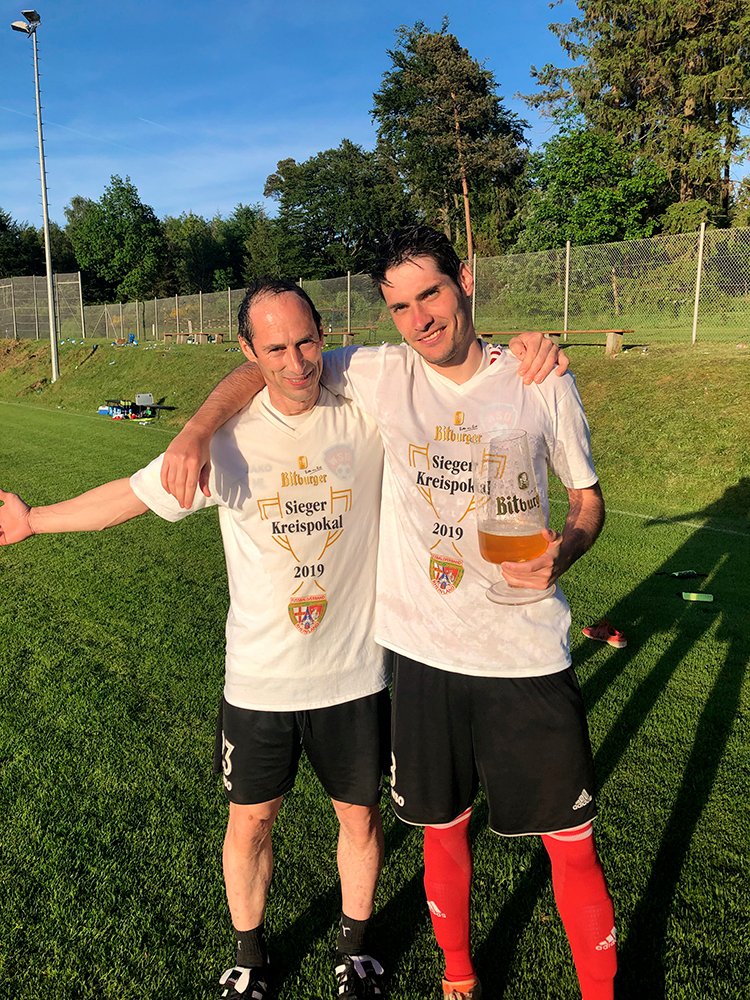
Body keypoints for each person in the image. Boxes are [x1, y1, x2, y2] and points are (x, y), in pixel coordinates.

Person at [160, 228, 616, 1000]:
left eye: (429, 294)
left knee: (571, 845)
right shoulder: (380, 370)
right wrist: (196, 429)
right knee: (442, 832)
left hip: (526, 651)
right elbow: (267, 364)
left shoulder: (536, 379)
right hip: (424, 658)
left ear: (464, 280)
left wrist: (563, 553)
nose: (419, 319)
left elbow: (587, 502)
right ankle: (458, 975)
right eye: (400, 306)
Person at [0, 280, 391, 1000]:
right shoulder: (228, 441)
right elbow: (128, 496)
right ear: (248, 352)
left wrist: (517, 353)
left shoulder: (365, 406)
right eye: (275, 349)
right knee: (251, 823)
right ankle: (251, 956)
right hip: (260, 679)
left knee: (359, 818)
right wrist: (35, 520)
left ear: (323, 332)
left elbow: (444, 368)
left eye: (306, 340)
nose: (297, 362)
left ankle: (354, 949)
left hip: (355, 672)